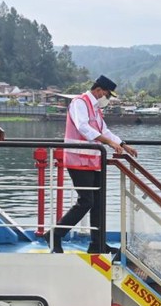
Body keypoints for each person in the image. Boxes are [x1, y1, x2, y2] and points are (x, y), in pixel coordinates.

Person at [44, 75, 137, 255]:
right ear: (99, 90)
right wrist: (110, 144)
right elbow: (83, 128)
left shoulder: (95, 108)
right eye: (108, 95)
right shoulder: (80, 103)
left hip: (93, 160)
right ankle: (54, 234)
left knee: (98, 203)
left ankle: (97, 244)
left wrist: (123, 144)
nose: (107, 99)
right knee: (86, 201)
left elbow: (104, 130)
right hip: (77, 160)